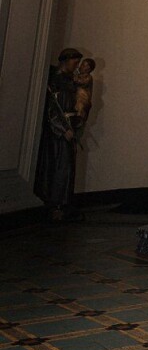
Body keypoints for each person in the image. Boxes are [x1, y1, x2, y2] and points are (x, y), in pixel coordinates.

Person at [34, 48, 82, 221]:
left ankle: (64, 203)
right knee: (59, 167)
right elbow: (52, 109)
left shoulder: (69, 81)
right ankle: (55, 205)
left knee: (68, 167)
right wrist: (63, 130)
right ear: (65, 60)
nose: (76, 67)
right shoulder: (55, 80)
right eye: (74, 62)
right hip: (58, 133)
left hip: (68, 127)